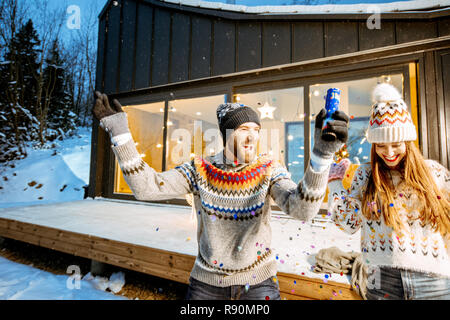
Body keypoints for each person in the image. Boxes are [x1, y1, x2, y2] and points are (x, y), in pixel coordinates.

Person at [92, 91, 349, 300]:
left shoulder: (269, 168)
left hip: (258, 284)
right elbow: (147, 187)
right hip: (207, 286)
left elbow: (302, 210)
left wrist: (322, 157)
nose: (252, 137)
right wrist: (121, 134)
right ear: (226, 133)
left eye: (257, 130)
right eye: (243, 129)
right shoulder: (199, 169)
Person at [327, 83, 450, 300]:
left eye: (396, 144)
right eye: (381, 146)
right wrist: (335, 184)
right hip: (381, 278)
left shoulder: (435, 173)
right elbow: (348, 225)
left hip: (434, 281)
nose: (389, 152)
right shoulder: (366, 176)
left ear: (408, 142)